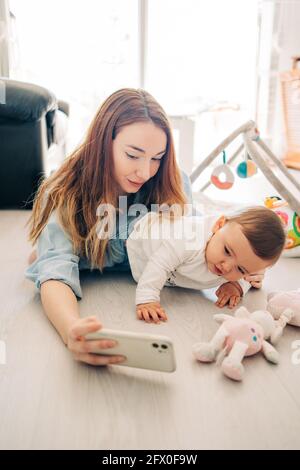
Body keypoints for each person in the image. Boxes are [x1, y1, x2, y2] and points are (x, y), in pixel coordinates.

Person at [25, 88, 194, 366]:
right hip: (87, 253)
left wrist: (237, 267)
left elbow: (195, 241)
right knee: (46, 256)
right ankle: (48, 243)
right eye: (133, 155)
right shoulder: (66, 191)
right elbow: (55, 273)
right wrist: (71, 331)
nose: (145, 172)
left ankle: (49, 245)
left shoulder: (172, 181)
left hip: (134, 261)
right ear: (104, 142)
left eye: (157, 157)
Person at [125, 207, 286, 324]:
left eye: (241, 269)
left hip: (142, 263)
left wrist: (236, 285)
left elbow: (249, 275)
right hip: (132, 239)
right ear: (219, 225)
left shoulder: (242, 257)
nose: (227, 266)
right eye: (227, 251)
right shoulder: (189, 238)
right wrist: (147, 300)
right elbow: (160, 264)